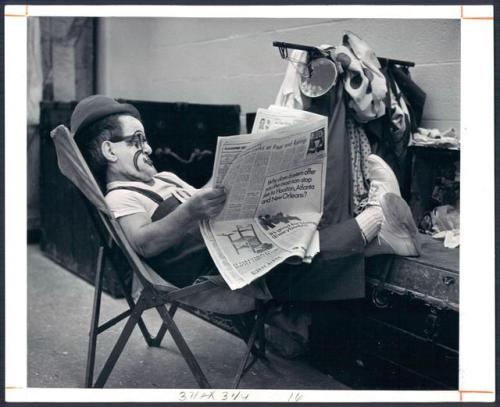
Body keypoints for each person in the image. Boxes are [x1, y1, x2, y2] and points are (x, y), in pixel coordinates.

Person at [71, 95, 420, 313]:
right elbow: (143, 244)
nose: (147, 148)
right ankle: (376, 220)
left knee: (301, 220)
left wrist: (242, 166)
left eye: (145, 139)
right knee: (293, 254)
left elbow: (204, 193)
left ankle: (380, 239)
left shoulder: (163, 178)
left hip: (231, 244)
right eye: (136, 140)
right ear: (108, 150)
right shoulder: (120, 195)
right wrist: (191, 210)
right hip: (206, 270)